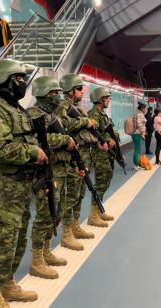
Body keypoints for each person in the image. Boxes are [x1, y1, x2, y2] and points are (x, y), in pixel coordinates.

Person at [0, 59, 47, 307]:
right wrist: (33, 153)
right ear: (5, 82)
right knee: (2, 240)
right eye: (19, 79)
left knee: (18, 239)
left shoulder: (19, 110)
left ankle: (8, 283)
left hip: (24, 186)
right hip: (5, 186)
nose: (23, 83)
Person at [27, 76, 77, 279]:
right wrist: (64, 139)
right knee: (44, 214)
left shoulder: (54, 115)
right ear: (44, 94)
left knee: (56, 212)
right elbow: (37, 139)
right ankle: (37, 259)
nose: (58, 96)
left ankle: (46, 250)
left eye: (58, 93)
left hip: (61, 167)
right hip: (45, 171)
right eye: (54, 93)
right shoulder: (33, 114)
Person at [59, 74, 113, 233]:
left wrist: (96, 138)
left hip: (83, 156)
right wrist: (85, 121)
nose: (83, 92)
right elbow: (65, 125)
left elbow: (85, 130)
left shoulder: (77, 108)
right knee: (71, 195)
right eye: (79, 89)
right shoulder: (64, 106)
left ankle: (75, 226)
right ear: (69, 91)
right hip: (72, 158)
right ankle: (67, 232)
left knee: (80, 193)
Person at [88, 87, 118, 227]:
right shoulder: (94, 114)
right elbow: (92, 133)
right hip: (99, 153)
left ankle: (99, 210)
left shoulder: (102, 114)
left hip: (105, 153)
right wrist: (106, 140)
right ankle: (93, 215)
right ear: (100, 99)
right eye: (107, 98)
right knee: (100, 182)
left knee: (106, 179)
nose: (108, 101)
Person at [131, 103, 147, 170]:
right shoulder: (139, 114)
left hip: (137, 133)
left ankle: (136, 164)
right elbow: (139, 124)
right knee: (137, 150)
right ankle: (135, 165)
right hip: (137, 134)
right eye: (146, 108)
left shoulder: (137, 114)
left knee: (137, 150)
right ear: (142, 108)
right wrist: (142, 132)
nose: (146, 110)